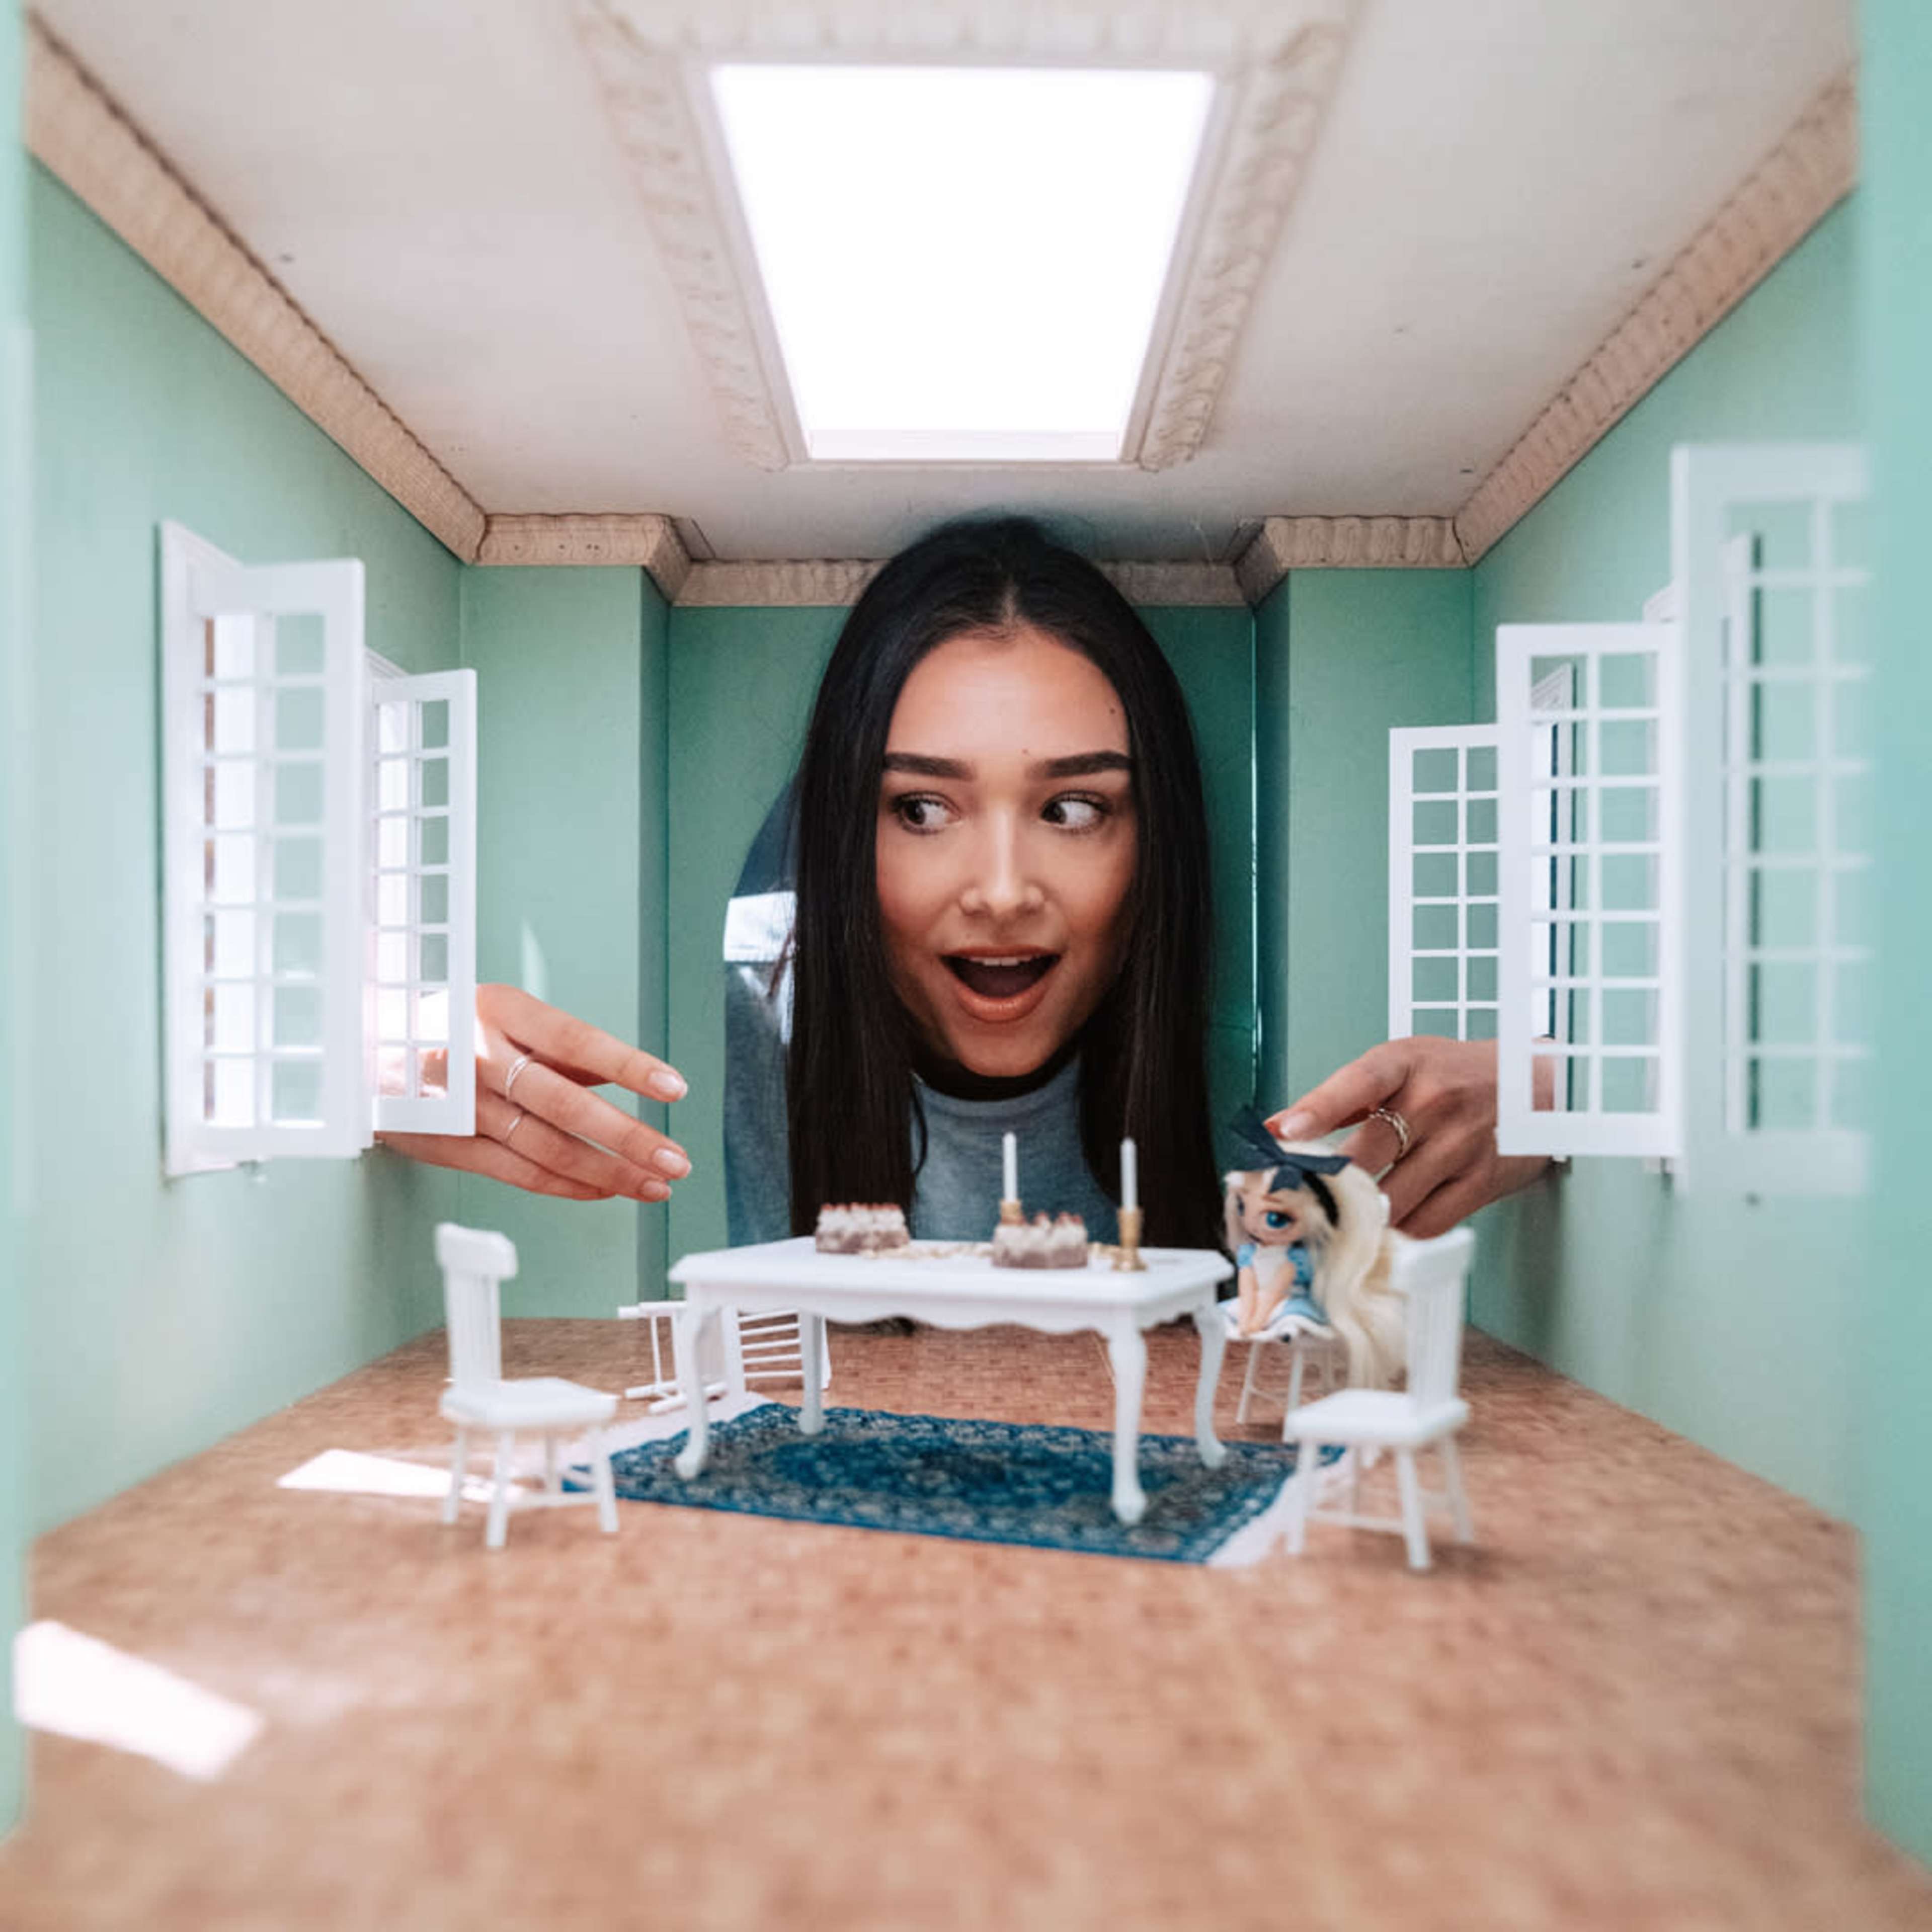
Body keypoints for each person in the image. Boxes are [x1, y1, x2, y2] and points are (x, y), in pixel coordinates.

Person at [380, 518, 1547, 1244]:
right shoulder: (774, 958)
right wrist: (370, 1056)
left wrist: (1565, 1093)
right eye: (923, 809)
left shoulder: (1241, 1098)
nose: (999, 890)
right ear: (847, 839)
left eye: (1075, 807)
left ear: (1155, 850)